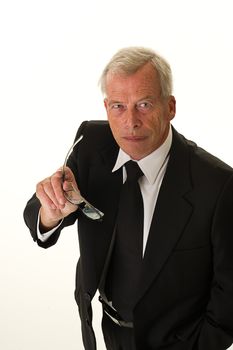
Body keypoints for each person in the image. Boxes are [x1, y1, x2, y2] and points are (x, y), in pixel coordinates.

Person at [23, 47, 233, 350]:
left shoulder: (219, 185)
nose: (130, 121)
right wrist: (52, 211)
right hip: (109, 333)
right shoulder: (91, 147)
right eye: (118, 106)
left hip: (179, 341)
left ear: (170, 107)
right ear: (106, 107)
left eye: (144, 104)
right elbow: (37, 216)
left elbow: (230, 296)